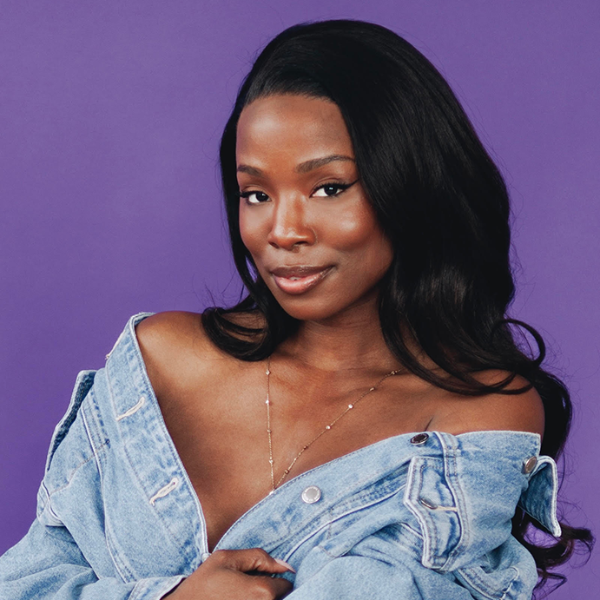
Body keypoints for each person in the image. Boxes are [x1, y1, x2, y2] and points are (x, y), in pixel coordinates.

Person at [0, 19, 592, 600]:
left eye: (329, 188)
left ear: (411, 185)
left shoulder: (474, 414)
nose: (282, 231)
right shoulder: (159, 361)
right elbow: (23, 583)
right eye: (256, 194)